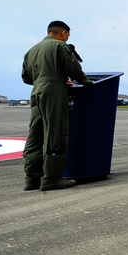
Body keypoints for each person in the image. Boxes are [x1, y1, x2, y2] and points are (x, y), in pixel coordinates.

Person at [21, 21, 92, 192]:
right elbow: (74, 69)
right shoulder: (60, 47)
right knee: (55, 133)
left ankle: (31, 179)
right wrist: (86, 82)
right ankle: (52, 179)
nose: (67, 38)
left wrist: (45, 79)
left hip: (37, 91)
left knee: (36, 135)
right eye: (67, 35)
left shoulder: (32, 50)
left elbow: (25, 77)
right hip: (53, 92)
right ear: (63, 33)